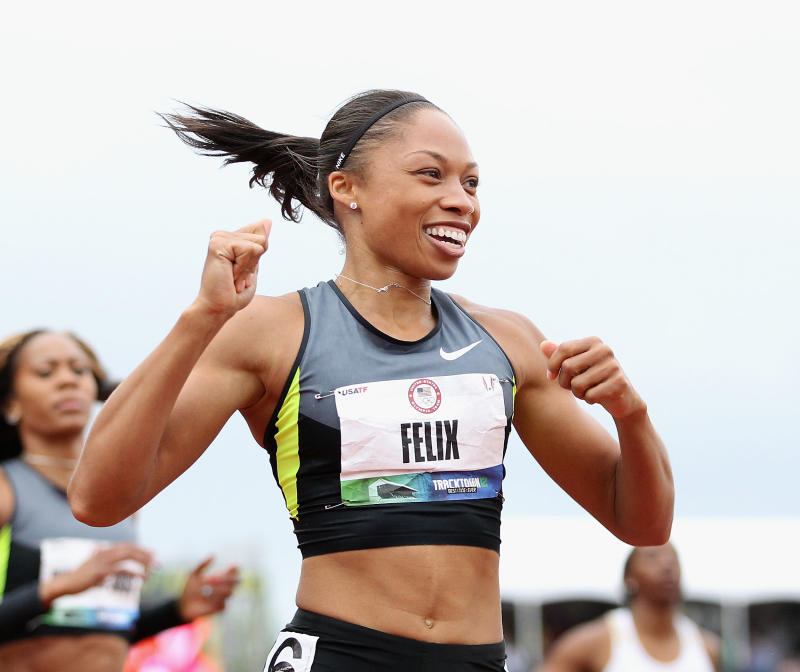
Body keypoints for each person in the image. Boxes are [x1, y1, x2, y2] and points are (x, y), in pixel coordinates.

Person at [68, 89, 674, 672]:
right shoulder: (273, 332)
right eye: (430, 175)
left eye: (471, 181)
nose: (462, 200)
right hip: (338, 654)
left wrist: (631, 414)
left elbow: (643, 524)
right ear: (346, 188)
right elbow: (98, 499)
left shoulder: (509, 342)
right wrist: (199, 321)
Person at [0, 330, 239, 671]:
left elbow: (98, 633)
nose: (67, 380)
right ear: (10, 403)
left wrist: (176, 610)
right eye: (46, 372)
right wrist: (59, 587)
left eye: (79, 370)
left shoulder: (118, 494)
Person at [538, 543, 720, 672]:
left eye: (673, 558)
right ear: (629, 577)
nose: (667, 565)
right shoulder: (597, 641)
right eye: (652, 557)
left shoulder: (706, 647)